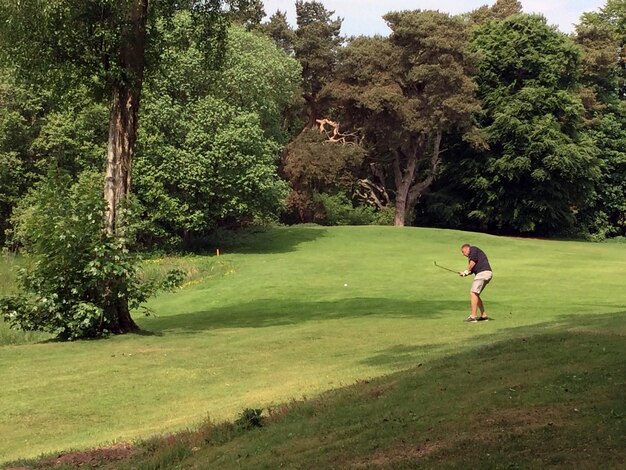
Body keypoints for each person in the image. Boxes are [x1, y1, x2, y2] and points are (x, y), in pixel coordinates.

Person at [458, 244, 493, 323]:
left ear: (467, 249)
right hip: (485, 274)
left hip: (483, 273)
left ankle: (473, 317)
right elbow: (471, 269)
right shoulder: (471, 257)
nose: (463, 254)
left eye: (463, 252)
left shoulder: (473, 249)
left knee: (473, 293)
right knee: (476, 294)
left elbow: (473, 262)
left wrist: (466, 271)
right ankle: (484, 316)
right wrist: (464, 273)